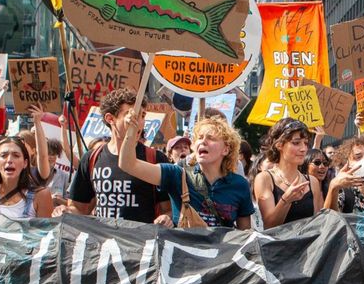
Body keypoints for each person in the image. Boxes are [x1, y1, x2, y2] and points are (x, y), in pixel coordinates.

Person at [116, 116, 255, 229]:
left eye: (211, 138)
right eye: (199, 138)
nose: (203, 142)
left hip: (222, 262)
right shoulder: (177, 174)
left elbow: (244, 236)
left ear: (226, 149)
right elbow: (128, 164)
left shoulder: (239, 185)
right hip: (184, 261)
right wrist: (130, 132)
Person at [60, 89, 171, 225]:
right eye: (130, 115)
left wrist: (167, 218)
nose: (138, 122)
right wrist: (65, 211)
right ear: (110, 118)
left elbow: (170, 209)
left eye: (142, 115)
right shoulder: (92, 158)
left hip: (142, 243)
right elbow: (79, 208)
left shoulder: (155, 158)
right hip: (105, 242)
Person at [254, 118, 323, 228]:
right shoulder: (264, 179)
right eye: (296, 143)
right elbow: (269, 226)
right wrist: (286, 200)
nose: (303, 149)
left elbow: (318, 224)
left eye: (306, 143)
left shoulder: (312, 181)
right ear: (279, 145)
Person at [0, 135, 53, 219]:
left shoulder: (41, 196)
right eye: (3, 155)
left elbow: (45, 231)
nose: (9, 160)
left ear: (25, 163)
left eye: (16, 155)